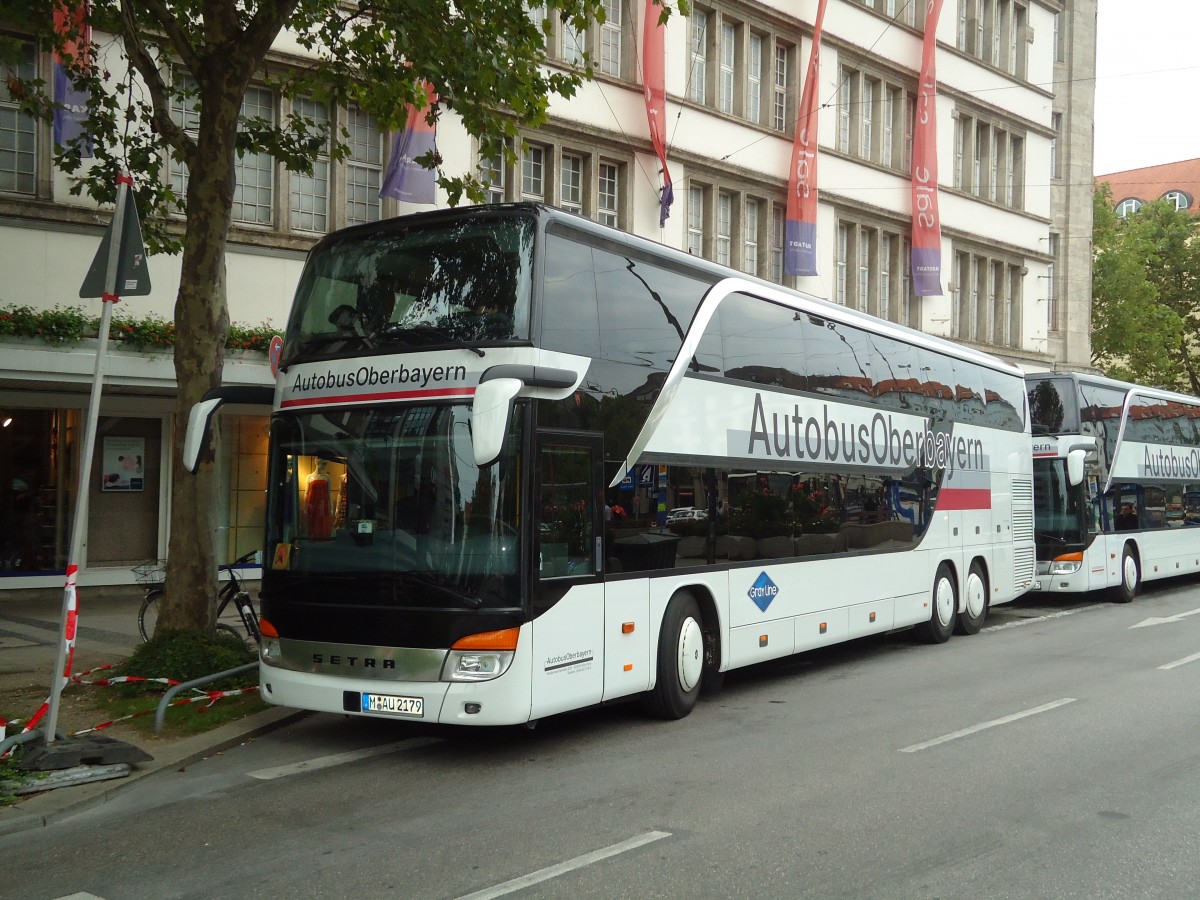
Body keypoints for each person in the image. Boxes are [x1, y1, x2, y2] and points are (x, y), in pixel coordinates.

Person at [306, 459, 333, 539]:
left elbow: (329, 493)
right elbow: (306, 492)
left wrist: (331, 506)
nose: (325, 466)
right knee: (313, 522)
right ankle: (313, 539)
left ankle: (323, 540)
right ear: (317, 462)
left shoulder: (327, 477)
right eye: (323, 463)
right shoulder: (309, 477)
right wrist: (305, 505)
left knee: (323, 521)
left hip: (323, 503)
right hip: (312, 503)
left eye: (325, 464)